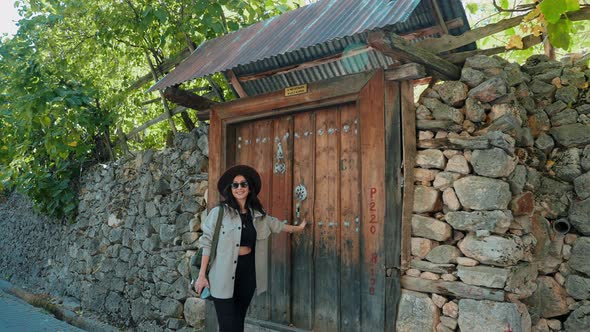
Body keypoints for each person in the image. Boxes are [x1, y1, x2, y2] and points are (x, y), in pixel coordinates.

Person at [194, 165, 306, 332]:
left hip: (248, 276)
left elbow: (278, 226)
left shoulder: (259, 216)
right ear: (230, 189)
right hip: (222, 276)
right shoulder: (219, 213)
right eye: (235, 185)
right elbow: (207, 243)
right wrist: (202, 275)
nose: (239, 188)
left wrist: (299, 228)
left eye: (243, 184)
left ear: (249, 188)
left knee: (239, 321)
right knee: (227, 325)